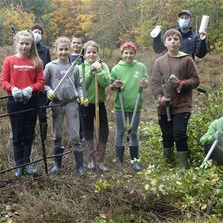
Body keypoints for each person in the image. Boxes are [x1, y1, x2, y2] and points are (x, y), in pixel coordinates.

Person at [0, 30, 45, 178]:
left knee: (29, 134)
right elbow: (3, 81)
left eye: (27, 43)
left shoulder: (36, 61)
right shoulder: (9, 60)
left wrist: (31, 88)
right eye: (22, 43)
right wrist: (12, 88)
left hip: (31, 101)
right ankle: (18, 165)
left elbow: (41, 82)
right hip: (15, 102)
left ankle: (27, 163)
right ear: (16, 43)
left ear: (32, 45)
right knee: (17, 134)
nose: (24, 46)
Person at [152, 29, 200, 169]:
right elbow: (155, 82)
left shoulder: (187, 59)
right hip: (164, 107)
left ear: (180, 42)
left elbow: (196, 80)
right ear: (165, 43)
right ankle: (168, 163)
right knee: (167, 134)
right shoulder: (159, 62)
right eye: (169, 39)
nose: (172, 41)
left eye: (176, 39)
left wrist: (181, 83)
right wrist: (160, 97)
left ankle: (182, 167)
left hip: (182, 104)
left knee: (179, 134)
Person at [45, 36, 86, 176]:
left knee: (75, 135)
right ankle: (57, 165)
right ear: (56, 50)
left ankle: (79, 166)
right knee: (57, 135)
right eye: (60, 49)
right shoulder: (50, 66)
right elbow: (44, 83)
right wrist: (49, 91)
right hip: (56, 104)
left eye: (66, 49)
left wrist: (81, 96)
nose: (63, 52)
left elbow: (79, 86)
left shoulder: (74, 67)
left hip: (72, 104)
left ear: (70, 50)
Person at [110, 42, 149, 172]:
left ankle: (134, 161)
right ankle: (119, 161)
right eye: (126, 53)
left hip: (135, 104)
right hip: (120, 105)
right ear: (122, 54)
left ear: (135, 54)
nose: (128, 55)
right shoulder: (116, 68)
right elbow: (111, 86)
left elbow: (146, 81)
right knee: (120, 131)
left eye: (131, 53)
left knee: (133, 132)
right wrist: (115, 85)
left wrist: (145, 83)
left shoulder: (141, 67)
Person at [79, 40, 111, 172]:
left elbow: (106, 82)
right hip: (86, 104)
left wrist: (99, 71)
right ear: (85, 54)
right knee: (88, 131)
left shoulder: (103, 66)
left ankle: (100, 160)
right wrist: (91, 72)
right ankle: (91, 160)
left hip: (99, 103)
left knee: (104, 130)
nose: (91, 55)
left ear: (97, 53)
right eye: (88, 52)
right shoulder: (81, 67)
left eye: (94, 52)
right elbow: (82, 84)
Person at [31, 24, 52, 142]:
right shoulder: (27, 48)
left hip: (42, 86)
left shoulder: (46, 50)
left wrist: (47, 86)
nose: (37, 34)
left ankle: (43, 139)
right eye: (35, 31)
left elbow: (48, 66)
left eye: (39, 32)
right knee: (31, 113)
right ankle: (32, 137)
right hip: (30, 86)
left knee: (42, 113)